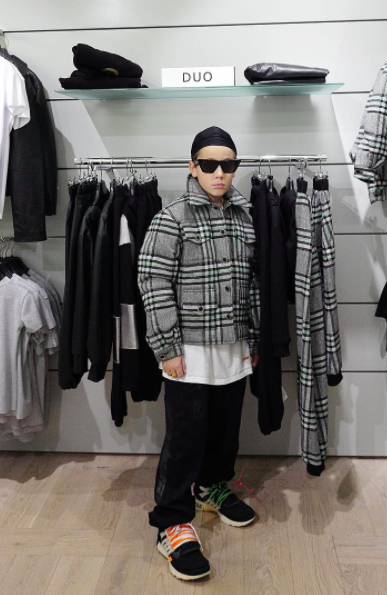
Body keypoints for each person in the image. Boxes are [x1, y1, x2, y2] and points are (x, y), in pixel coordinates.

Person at [137, 126, 261, 581]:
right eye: (209, 164)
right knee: (185, 436)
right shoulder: (171, 218)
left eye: (228, 164)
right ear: (192, 166)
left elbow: (254, 283)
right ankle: (171, 521)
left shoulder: (246, 217)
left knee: (226, 429)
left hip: (234, 345)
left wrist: (254, 339)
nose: (218, 173)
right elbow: (153, 283)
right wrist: (167, 347)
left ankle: (211, 487)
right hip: (188, 351)